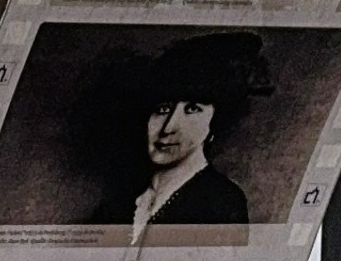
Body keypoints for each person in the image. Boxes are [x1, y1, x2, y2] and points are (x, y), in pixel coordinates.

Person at [88, 31, 267, 239]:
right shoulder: (116, 208)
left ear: (215, 122)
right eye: (162, 109)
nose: (168, 127)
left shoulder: (221, 203)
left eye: (192, 109)